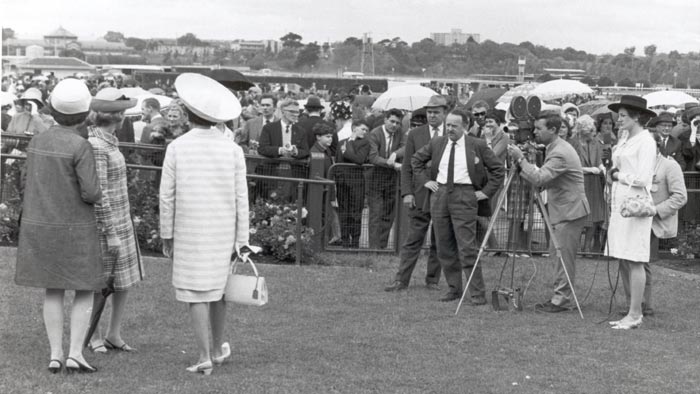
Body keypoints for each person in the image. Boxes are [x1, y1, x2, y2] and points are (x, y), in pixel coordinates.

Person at [159, 73, 249, 375]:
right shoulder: (232, 149)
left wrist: (166, 234)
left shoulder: (177, 147)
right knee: (218, 291)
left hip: (189, 230)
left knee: (196, 293)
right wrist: (242, 238)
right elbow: (242, 198)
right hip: (222, 231)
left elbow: (166, 197)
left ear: (187, 114)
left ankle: (205, 355)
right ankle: (214, 348)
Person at [15, 78, 103, 374]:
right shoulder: (81, 145)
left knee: (52, 290)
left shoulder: (37, 141)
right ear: (85, 113)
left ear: (51, 109)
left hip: (41, 224)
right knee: (84, 288)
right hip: (76, 226)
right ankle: (75, 352)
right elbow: (91, 192)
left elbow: (25, 180)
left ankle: (55, 353)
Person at [412, 109, 505, 303]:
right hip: (440, 194)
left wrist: (485, 192)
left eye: (454, 125)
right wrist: (425, 181)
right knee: (444, 246)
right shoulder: (438, 143)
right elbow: (416, 160)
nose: (450, 128)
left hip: (465, 195)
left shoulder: (477, 145)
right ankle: (454, 288)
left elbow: (497, 170)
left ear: (465, 126)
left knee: (467, 247)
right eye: (448, 124)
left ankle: (477, 294)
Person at [507, 114, 590, 313]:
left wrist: (520, 158)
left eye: (538, 128)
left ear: (552, 130)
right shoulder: (556, 148)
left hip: (570, 212)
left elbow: (539, 178)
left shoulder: (560, 152)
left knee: (562, 257)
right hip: (565, 210)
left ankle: (562, 300)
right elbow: (547, 177)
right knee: (557, 255)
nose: (534, 132)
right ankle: (560, 297)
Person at [85, 87, 144, 354]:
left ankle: (113, 333)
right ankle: (94, 335)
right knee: (101, 282)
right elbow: (100, 193)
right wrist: (110, 230)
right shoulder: (97, 145)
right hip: (106, 224)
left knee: (123, 281)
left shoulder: (108, 141)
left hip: (121, 220)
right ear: (118, 116)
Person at [620, 132, 687, 316]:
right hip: (635, 217)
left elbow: (680, 197)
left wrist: (655, 210)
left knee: (636, 260)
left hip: (653, 221)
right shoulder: (638, 165)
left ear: (657, 146)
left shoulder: (670, 166)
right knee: (629, 259)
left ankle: (640, 305)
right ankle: (637, 303)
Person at [385, 95, 447, 292]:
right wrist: (407, 193)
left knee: (440, 240)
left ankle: (433, 281)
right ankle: (401, 280)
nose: (432, 116)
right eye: (429, 112)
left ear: (444, 113)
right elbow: (406, 167)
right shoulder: (415, 134)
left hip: (443, 195)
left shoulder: (452, 133)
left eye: (436, 112)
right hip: (419, 194)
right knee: (413, 240)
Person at [606, 95, 658, 330]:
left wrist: (619, 176)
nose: (619, 119)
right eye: (619, 115)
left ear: (637, 117)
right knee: (625, 257)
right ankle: (631, 309)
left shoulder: (646, 141)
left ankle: (636, 313)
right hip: (620, 205)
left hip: (635, 206)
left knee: (635, 258)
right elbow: (618, 163)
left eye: (624, 116)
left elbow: (643, 178)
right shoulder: (626, 139)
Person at [367, 108, 405, 249]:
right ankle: (374, 248)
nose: (394, 125)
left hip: (392, 179)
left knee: (389, 215)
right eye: (392, 121)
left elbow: (405, 146)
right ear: (385, 120)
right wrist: (391, 164)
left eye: (397, 123)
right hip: (376, 178)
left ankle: (382, 247)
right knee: (376, 214)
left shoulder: (400, 132)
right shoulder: (375, 133)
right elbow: (373, 157)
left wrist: (395, 153)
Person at [573, 115, 606, 253]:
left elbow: (599, 162)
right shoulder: (572, 143)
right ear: (584, 131)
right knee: (579, 216)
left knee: (595, 216)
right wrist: (588, 169)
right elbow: (572, 166)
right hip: (579, 182)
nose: (594, 134)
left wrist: (603, 169)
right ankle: (575, 247)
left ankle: (586, 247)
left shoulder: (596, 143)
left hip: (594, 183)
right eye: (591, 131)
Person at [335, 120, 370, 247]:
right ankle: (345, 240)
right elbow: (339, 160)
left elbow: (359, 159)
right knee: (343, 212)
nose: (365, 132)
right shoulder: (340, 143)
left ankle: (355, 242)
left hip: (356, 182)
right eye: (363, 129)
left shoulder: (365, 143)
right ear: (354, 128)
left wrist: (349, 145)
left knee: (356, 212)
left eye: (366, 130)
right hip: (342, 181)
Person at [681, 106, 700, 171]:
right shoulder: (685, 135)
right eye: (697, 121)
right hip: (692, 172)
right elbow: (687, 153)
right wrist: (693, 132)